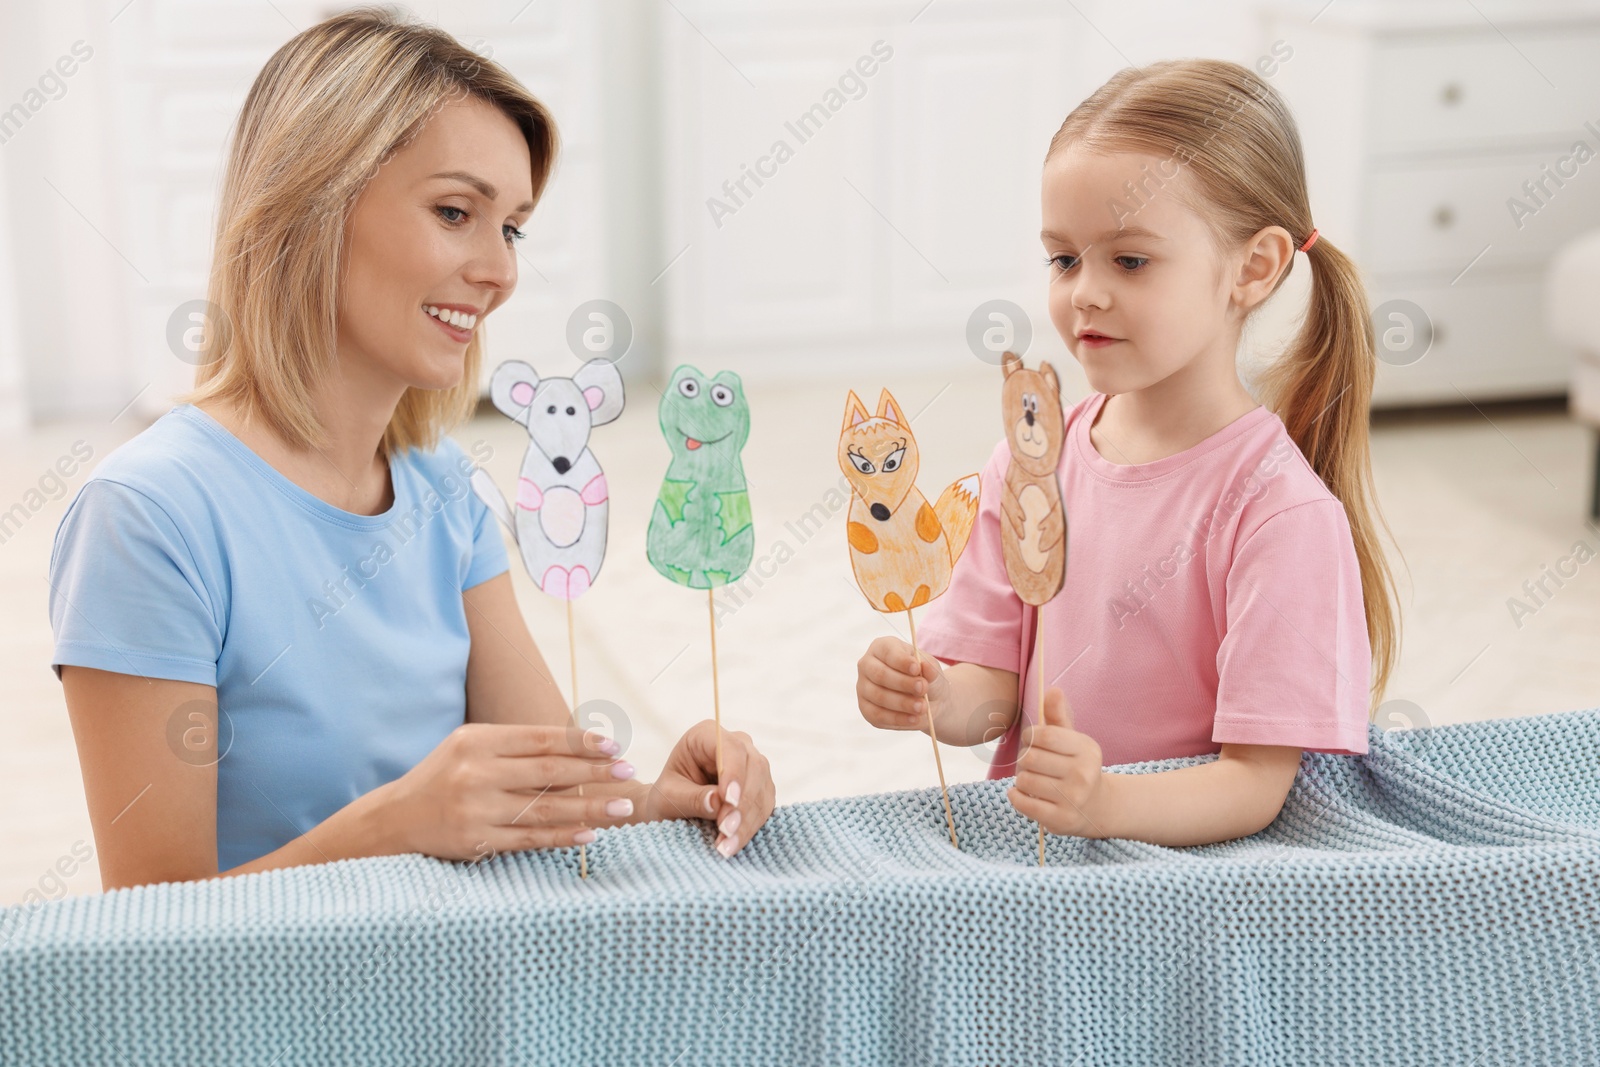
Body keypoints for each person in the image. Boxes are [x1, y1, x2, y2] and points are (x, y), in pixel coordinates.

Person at [48, 7, 773, 891]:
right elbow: (148, 926)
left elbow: (547, 801)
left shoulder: (446, 496)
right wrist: (396, 823)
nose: (501, 272)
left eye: (511, 227)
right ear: (312, 204)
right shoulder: (147, 517)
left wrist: (668, 800)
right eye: (456, 211)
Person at [856, 58, 1401, 848]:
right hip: (1039, 863)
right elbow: (994, 693)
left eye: (1130, 260)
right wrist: (931, 698)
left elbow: (1256, 783)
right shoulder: (1031, 467)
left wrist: (1105, 805)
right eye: (1064, 258)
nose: (1085, 293)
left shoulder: (1280, 514)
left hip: (1178, 885)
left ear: (1253, 268)